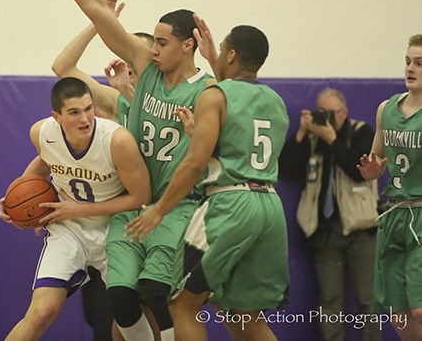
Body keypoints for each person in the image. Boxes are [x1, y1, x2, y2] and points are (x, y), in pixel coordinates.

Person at [33, 0, 214, 339]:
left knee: (160, 296)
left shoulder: (207, 92)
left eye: (163, 43)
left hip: (175, 207)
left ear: (188, 45)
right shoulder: (144, 71)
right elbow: (95, 8)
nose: (152, 49)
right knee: (120, 301)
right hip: (131, 207)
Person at [126, 21, 290, 341]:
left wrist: (160, 209)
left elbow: (194, 164)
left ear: (230, 55)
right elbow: (240, 150)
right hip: (270, 204)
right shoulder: (276, 101)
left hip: (231, 204)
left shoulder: (213, 94)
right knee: (242, 316)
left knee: (182, 304)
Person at [0, 77, 151, 341]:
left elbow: (141, 197)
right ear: (56, 117)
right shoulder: (42, 133)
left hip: (115, 229)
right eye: (74, 112)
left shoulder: (117, 140)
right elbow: (45, 163)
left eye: (88, 109)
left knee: (127, 314)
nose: (85, 119)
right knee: (43, 310)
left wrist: (78, 209)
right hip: (70, 230)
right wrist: (18, 199)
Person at [278, 88, 380, 340]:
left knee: (368, 300)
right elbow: (287, 167)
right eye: (320, 112)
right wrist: (303, 133)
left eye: (330, 113)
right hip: (325, 231)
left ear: (344, 112)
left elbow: (359, 170)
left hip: (361, 229)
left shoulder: (361, 132)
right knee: (329, 301)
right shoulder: (312, 140)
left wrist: (332, 139)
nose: (325, 118)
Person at [357, 34, 422, 340]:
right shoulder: (387, 108)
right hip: (393, 214)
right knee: (399, 315)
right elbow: (375, 162)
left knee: (420, 309)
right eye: (408, 62)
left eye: (419, 63)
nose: (411, 68)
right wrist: (371, 171)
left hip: (421, 214)